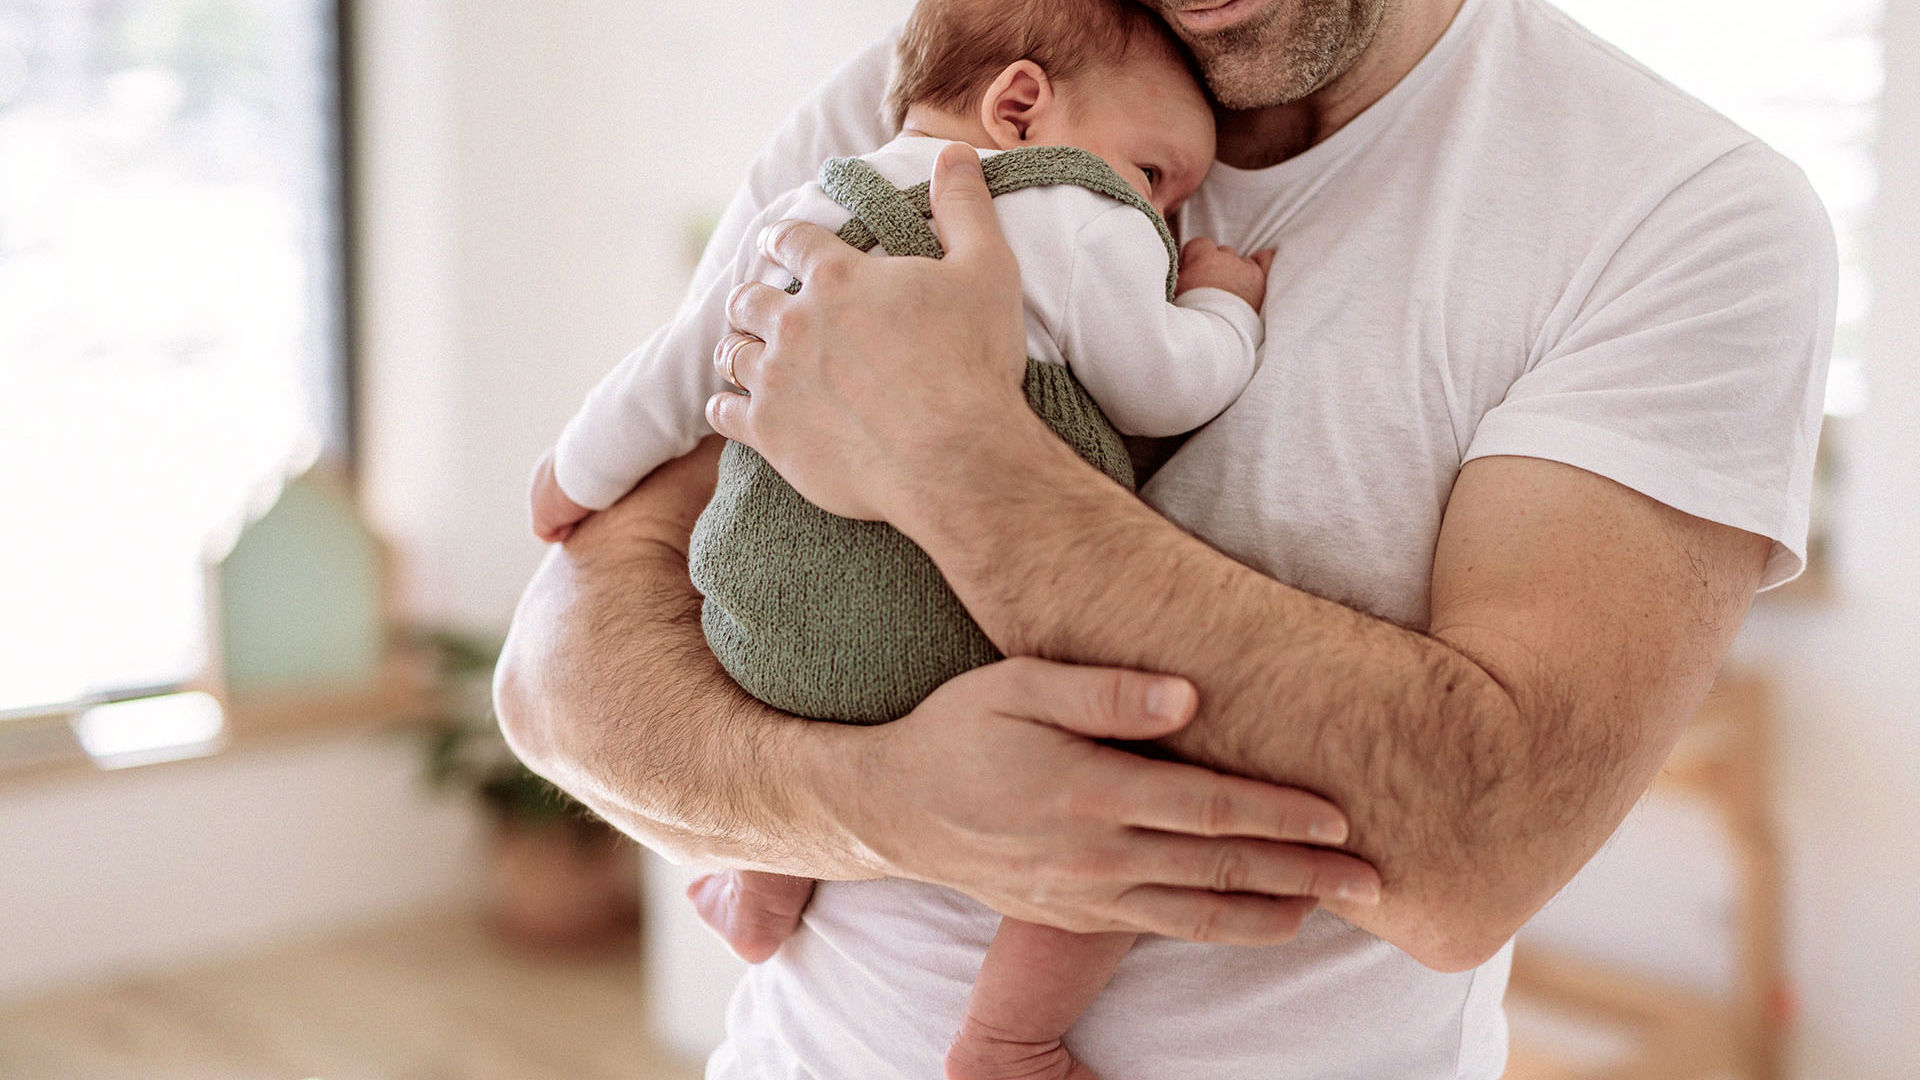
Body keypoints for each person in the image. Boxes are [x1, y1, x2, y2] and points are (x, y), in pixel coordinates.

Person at [495, 0, 1836, 1074]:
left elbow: (1478, 850)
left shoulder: (1677, 210)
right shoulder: (956, 77)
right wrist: (881, 808)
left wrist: (959, 460)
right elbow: (556, 683)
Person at [523, 4, 1311, 1077]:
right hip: (955, 637)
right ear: (1022, 107)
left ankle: (759, 887)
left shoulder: (814, 203)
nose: (1169, 213)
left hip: (764, 628)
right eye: (1158, 171)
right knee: (1128, 803)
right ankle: (1009, 1038)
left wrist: (569, 475)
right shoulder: (1074, 214)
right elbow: (1165, 384)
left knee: (809, 716)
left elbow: (674, 369)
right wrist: (1223, 305)